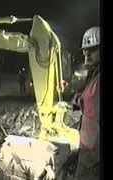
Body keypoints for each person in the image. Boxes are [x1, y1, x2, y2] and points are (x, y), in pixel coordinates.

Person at [71, 26, 100, 179]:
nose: (87, 53)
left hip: (95, 158)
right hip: (88, 152)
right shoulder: (93, 75)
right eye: (85, 50)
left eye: (93, 49)